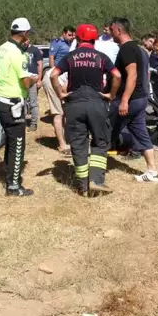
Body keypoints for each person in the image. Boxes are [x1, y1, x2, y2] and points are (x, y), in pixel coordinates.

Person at [50, 24, 121, 195]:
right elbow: (117, 75)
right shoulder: (101, 57)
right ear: (94, 40)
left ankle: (82, 185)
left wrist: (61, 94)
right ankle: (96, 180)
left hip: (75, 103)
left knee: (78, 144)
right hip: (97, 102)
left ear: (78, 38)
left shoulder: (70, 56)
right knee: (100, 141)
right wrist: (111, 95)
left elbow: (53, 74)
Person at [109, 18, 158, 182]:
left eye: (111, 30)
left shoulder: (127, 49)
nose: (110, 33)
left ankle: (94, 172)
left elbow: (132, 75)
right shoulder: (139, 49)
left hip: (130, 100)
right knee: (141, 133)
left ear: (118, 30)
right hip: (140, 99)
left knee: (105, 131)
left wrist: (124, 100)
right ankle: (152, 172)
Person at [0, 18, 39, 196]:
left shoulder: (2, 48)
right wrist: (33, 78)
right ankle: (13, 185)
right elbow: (26, 82)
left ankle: (8, 170)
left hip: (0, 99)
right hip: (13, 103)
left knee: (11, 141)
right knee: (18, 143)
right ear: (25, 33)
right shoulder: (18, 54)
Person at [42, 26, 75, 154]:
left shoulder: (71, 46)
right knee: (58, 113)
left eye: (73, 35)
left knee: (65, 111)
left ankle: (67, 139)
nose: (72, 37)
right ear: (63, 34)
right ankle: (62, 145)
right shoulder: (57, 43)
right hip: (53, 78)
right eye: (70, 34)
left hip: (59, 78)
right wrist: (62, 95)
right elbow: (52, 58)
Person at [24, 40, 43, 132]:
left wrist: (39, 79)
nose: (24, 42)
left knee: (33, 102)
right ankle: (21, 121)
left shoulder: (35, 50)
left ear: (28, 40)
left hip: (33, 79)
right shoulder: (19, 50)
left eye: (26, 40)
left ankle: (33, 123)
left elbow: (40, 64)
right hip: (22, 79)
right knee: (21, 102)